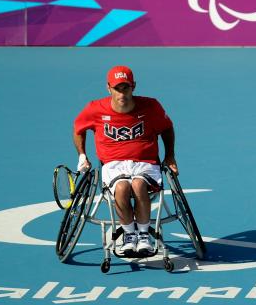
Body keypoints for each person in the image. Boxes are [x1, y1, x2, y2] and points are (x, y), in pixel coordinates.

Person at [72, 65, 177, 256]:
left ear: (133, 86)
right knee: (121, 188)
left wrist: (170, 156)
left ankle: (143, 235)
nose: (122, 93)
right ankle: (129, 235)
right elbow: (79, 129)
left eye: (126, 88)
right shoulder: (94, 109)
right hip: (113, 165)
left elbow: (167, 128)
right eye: (117, 88)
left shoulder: (151, 106)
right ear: (109, 88)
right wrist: (82, 156)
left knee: (138, 185)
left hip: (146, 162)